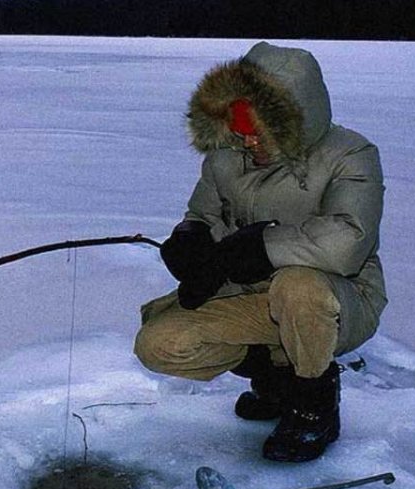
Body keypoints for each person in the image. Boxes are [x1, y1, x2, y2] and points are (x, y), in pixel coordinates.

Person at [134, 42, 386, 462]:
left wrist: (260, 246)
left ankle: (313, 405)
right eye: (240, 129)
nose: (247, 141)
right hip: (251, 296)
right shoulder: (226, 156)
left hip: (339, 300)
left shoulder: (352, 156)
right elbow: (203, 213)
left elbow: (347, 241)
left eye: (257, 130)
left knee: (298, 286)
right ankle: (275, 376)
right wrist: (190, 239)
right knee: (159, 344)